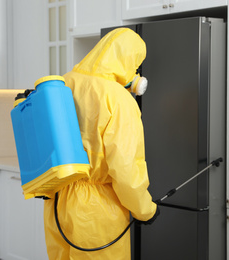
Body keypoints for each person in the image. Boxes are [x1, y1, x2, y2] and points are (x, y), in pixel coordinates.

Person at [43, 28, 159, 260]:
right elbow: (125, 169)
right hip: (97, 210)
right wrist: (146, 210)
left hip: (58, 199)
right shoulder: (118, 100)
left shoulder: (64, 81)